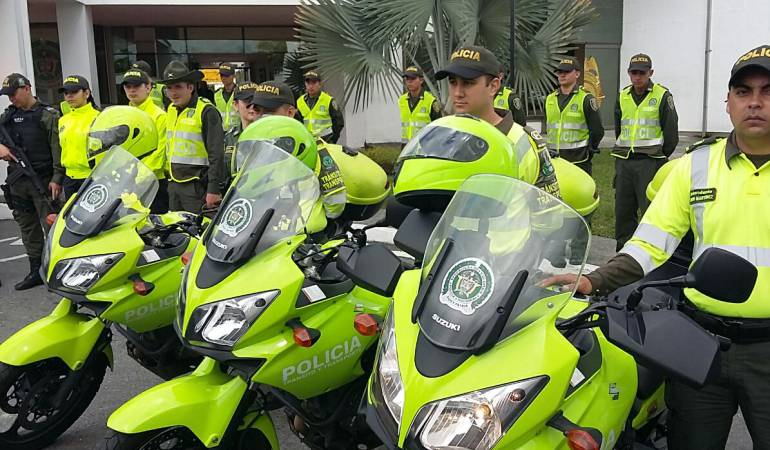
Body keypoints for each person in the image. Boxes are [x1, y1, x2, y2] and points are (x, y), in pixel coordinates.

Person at [545, 44, 770, 450]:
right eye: (743, 91)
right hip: (703, 344)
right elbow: (650, 242)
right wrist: (593, 281)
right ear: (728, 102)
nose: (755, 102)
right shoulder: (695, 166)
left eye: (768, 91)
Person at [241, 80, 388, 224]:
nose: (262, 117)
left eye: (270, 112)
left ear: (290, 113)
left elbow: (335, 198)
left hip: (303, 232)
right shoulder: (253, 148)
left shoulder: (312, 147)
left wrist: (326, 226)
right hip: (262, 229)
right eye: (259, 111)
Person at [434, 45, 560, 198]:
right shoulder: (443, 138)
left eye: (468, 83)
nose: (458, 93)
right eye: (453, 82)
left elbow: (548, 210)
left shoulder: (525, 143)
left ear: (493, 86)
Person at [0, 73, 62, 290]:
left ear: (27, 88)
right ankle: (35, 270)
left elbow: (57, 149)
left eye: (13, 94)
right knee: (27, 229)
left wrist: (57, 178)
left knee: (52, 228)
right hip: (18, 182)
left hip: (44, 181)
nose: (11, 99)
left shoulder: (47, 115)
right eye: (7, 96)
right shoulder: (7, 117)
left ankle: (56, 271)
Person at [613, 53, 679, 251]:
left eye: (642, 72)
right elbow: (619, 127)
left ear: (651, 72)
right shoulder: (622, 96)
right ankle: (623, 250)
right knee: (624, 209)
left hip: (650, 161)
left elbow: (671, 132)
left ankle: (650, 250)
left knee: (650, 209)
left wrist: (660, 155)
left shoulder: (662, 95)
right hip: (624, 160)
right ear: (628, 73)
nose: (638, 77)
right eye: (634, 72)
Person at [544, 56, 604, 263]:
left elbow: (597, 130)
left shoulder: (586, 99)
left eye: (566, 72)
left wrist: (589, 150)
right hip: (556, 164)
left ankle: (578, 252)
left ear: (577, 74)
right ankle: (557, 252)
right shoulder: (550, 99)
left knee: (581, 210)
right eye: (559, 72)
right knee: (556, 208)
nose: (561, 75)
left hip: (579, 162)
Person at [159, 61, 226, 214]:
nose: (173, 93)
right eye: (169, 88)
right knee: (177, 231)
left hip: (197, 187)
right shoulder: (170, 109)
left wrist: (214, 189)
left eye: (178, 86)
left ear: (190, 87)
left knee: (200, 230)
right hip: (174, 184)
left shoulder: (206, 111)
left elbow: (217, 154)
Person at [121, 68, 169, 212]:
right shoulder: (121, 116)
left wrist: (137, 178)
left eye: (136, 86)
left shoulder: (159, 116)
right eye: (128, 86)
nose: (132, 90)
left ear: (148, 87)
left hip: (153, 182)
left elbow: (160, 153)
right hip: (126, 183)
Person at [58, 75, 100, 199]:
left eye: (74, 92)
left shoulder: (98, 117)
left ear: (86, 93)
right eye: (66, 93)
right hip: (69, 178)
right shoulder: (63, 120)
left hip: (92, 178)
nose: (69, 96)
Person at [296, 70, 344, 143]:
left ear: (320, 84)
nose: (311, 86)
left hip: (326, 140)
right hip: (309, 142)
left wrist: (332, 140)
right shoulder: (300, 101)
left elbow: (339, 122)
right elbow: (299, 123)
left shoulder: (328, 100)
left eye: (314, 83)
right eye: (308, 83)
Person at [223, 81, 260, 176]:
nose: (252, 106)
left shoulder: (270, 134)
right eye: (247, 101)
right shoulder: (229, 138)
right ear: (235, 105)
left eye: (256, 101)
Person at [398, 66, 441, 144]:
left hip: (425, 147)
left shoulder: (430, 100)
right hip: (407, 147)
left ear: (421, 80)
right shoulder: (402, 100)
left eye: (413, 79)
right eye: (407, 79)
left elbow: (438, 127)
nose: (409, 82)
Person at [214, 63, 239, 131]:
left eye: (226, 75)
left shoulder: (240, 93)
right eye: (221, 75)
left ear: (233, 76)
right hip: (221, 132)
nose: (223, 78)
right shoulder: (217, 95)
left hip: (237, 132)